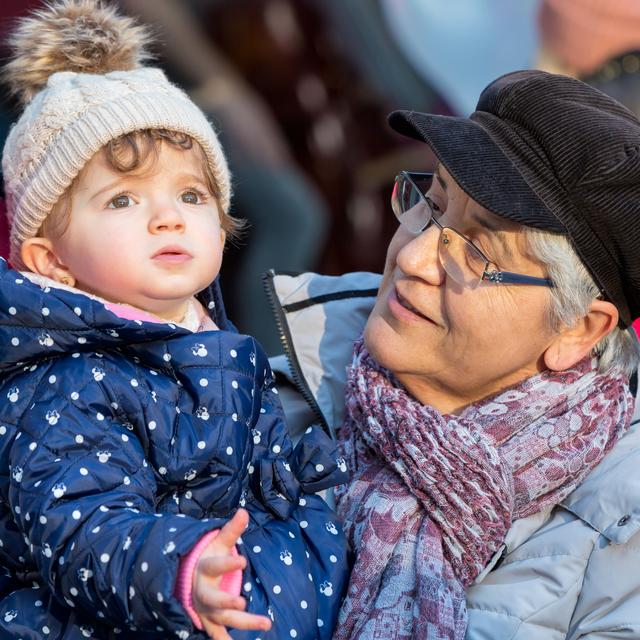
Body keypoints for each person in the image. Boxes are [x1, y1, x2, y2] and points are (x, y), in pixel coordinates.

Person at [0, 1, 348, 639]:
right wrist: (181, 568)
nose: (169, 218)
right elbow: (80, 528)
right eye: (123, 199)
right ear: (53, 261)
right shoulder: (68, 380)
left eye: (191, 195)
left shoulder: (213, 340)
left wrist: (310, 470)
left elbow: (252, 459)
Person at [266, 69, 640, 639]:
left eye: (476, 250)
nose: (413, 258)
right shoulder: (259, 399)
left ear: (578, 330)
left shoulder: (623, 532)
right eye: (432, 205)